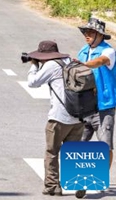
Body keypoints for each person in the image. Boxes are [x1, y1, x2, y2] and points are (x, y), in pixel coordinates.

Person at [25, 40, 82, 197]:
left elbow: (32, 83)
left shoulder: (50, 65)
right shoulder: (70, 61)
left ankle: (52, 186)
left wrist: (34, 65)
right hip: (78, 117)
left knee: (52, 152)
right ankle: (80, 181)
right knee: (74, 152)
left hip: (59, 117)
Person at [76, 18, 116, 172]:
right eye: (85, 32)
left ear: (100, 35)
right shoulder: (83, 51)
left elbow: (101, 61)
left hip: (104, 105)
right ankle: (79, 176)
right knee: (79, 143)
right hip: (84, 105)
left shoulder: (109, 51)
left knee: (105, 145)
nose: (87, 35)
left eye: (91, 32)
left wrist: (85, 64)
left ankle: (101, 176)